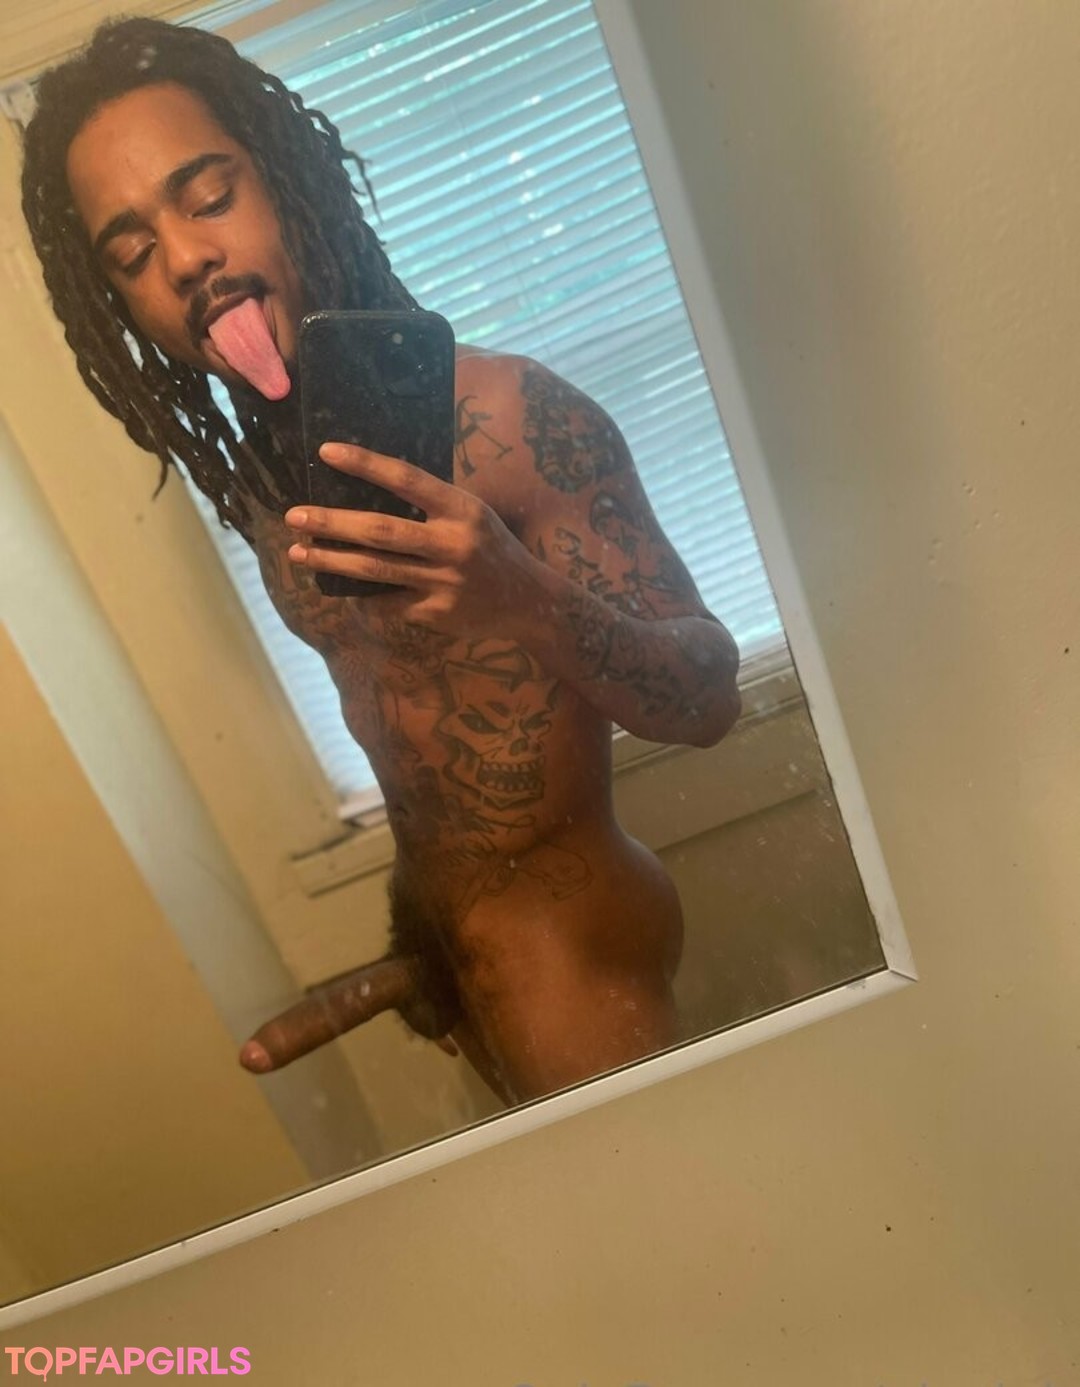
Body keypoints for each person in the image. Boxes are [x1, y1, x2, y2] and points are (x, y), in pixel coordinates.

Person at [21, 17, 740, 1103]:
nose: (184, 258)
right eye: (131, 254)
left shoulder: (511, 415)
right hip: (463, 982)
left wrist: (517, 594)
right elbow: (419, 740)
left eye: (208, 196)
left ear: (286, 184)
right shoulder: (269, 481)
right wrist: (426, 946)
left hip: (576, 966)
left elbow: (708, 698)